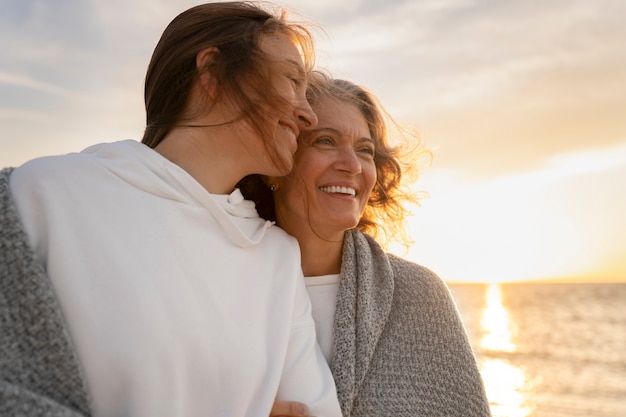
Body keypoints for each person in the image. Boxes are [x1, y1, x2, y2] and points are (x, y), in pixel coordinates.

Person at [0, 3, 342, 417]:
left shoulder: (276, 257)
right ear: (212, 72)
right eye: (292, 80)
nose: (308, 114)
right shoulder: (45, 194)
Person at [239, 73, 493, 416]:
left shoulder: (417, 294)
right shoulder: (223, 285)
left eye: (365, 150)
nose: (351, 165)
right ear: (275, 161)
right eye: (325, 141)